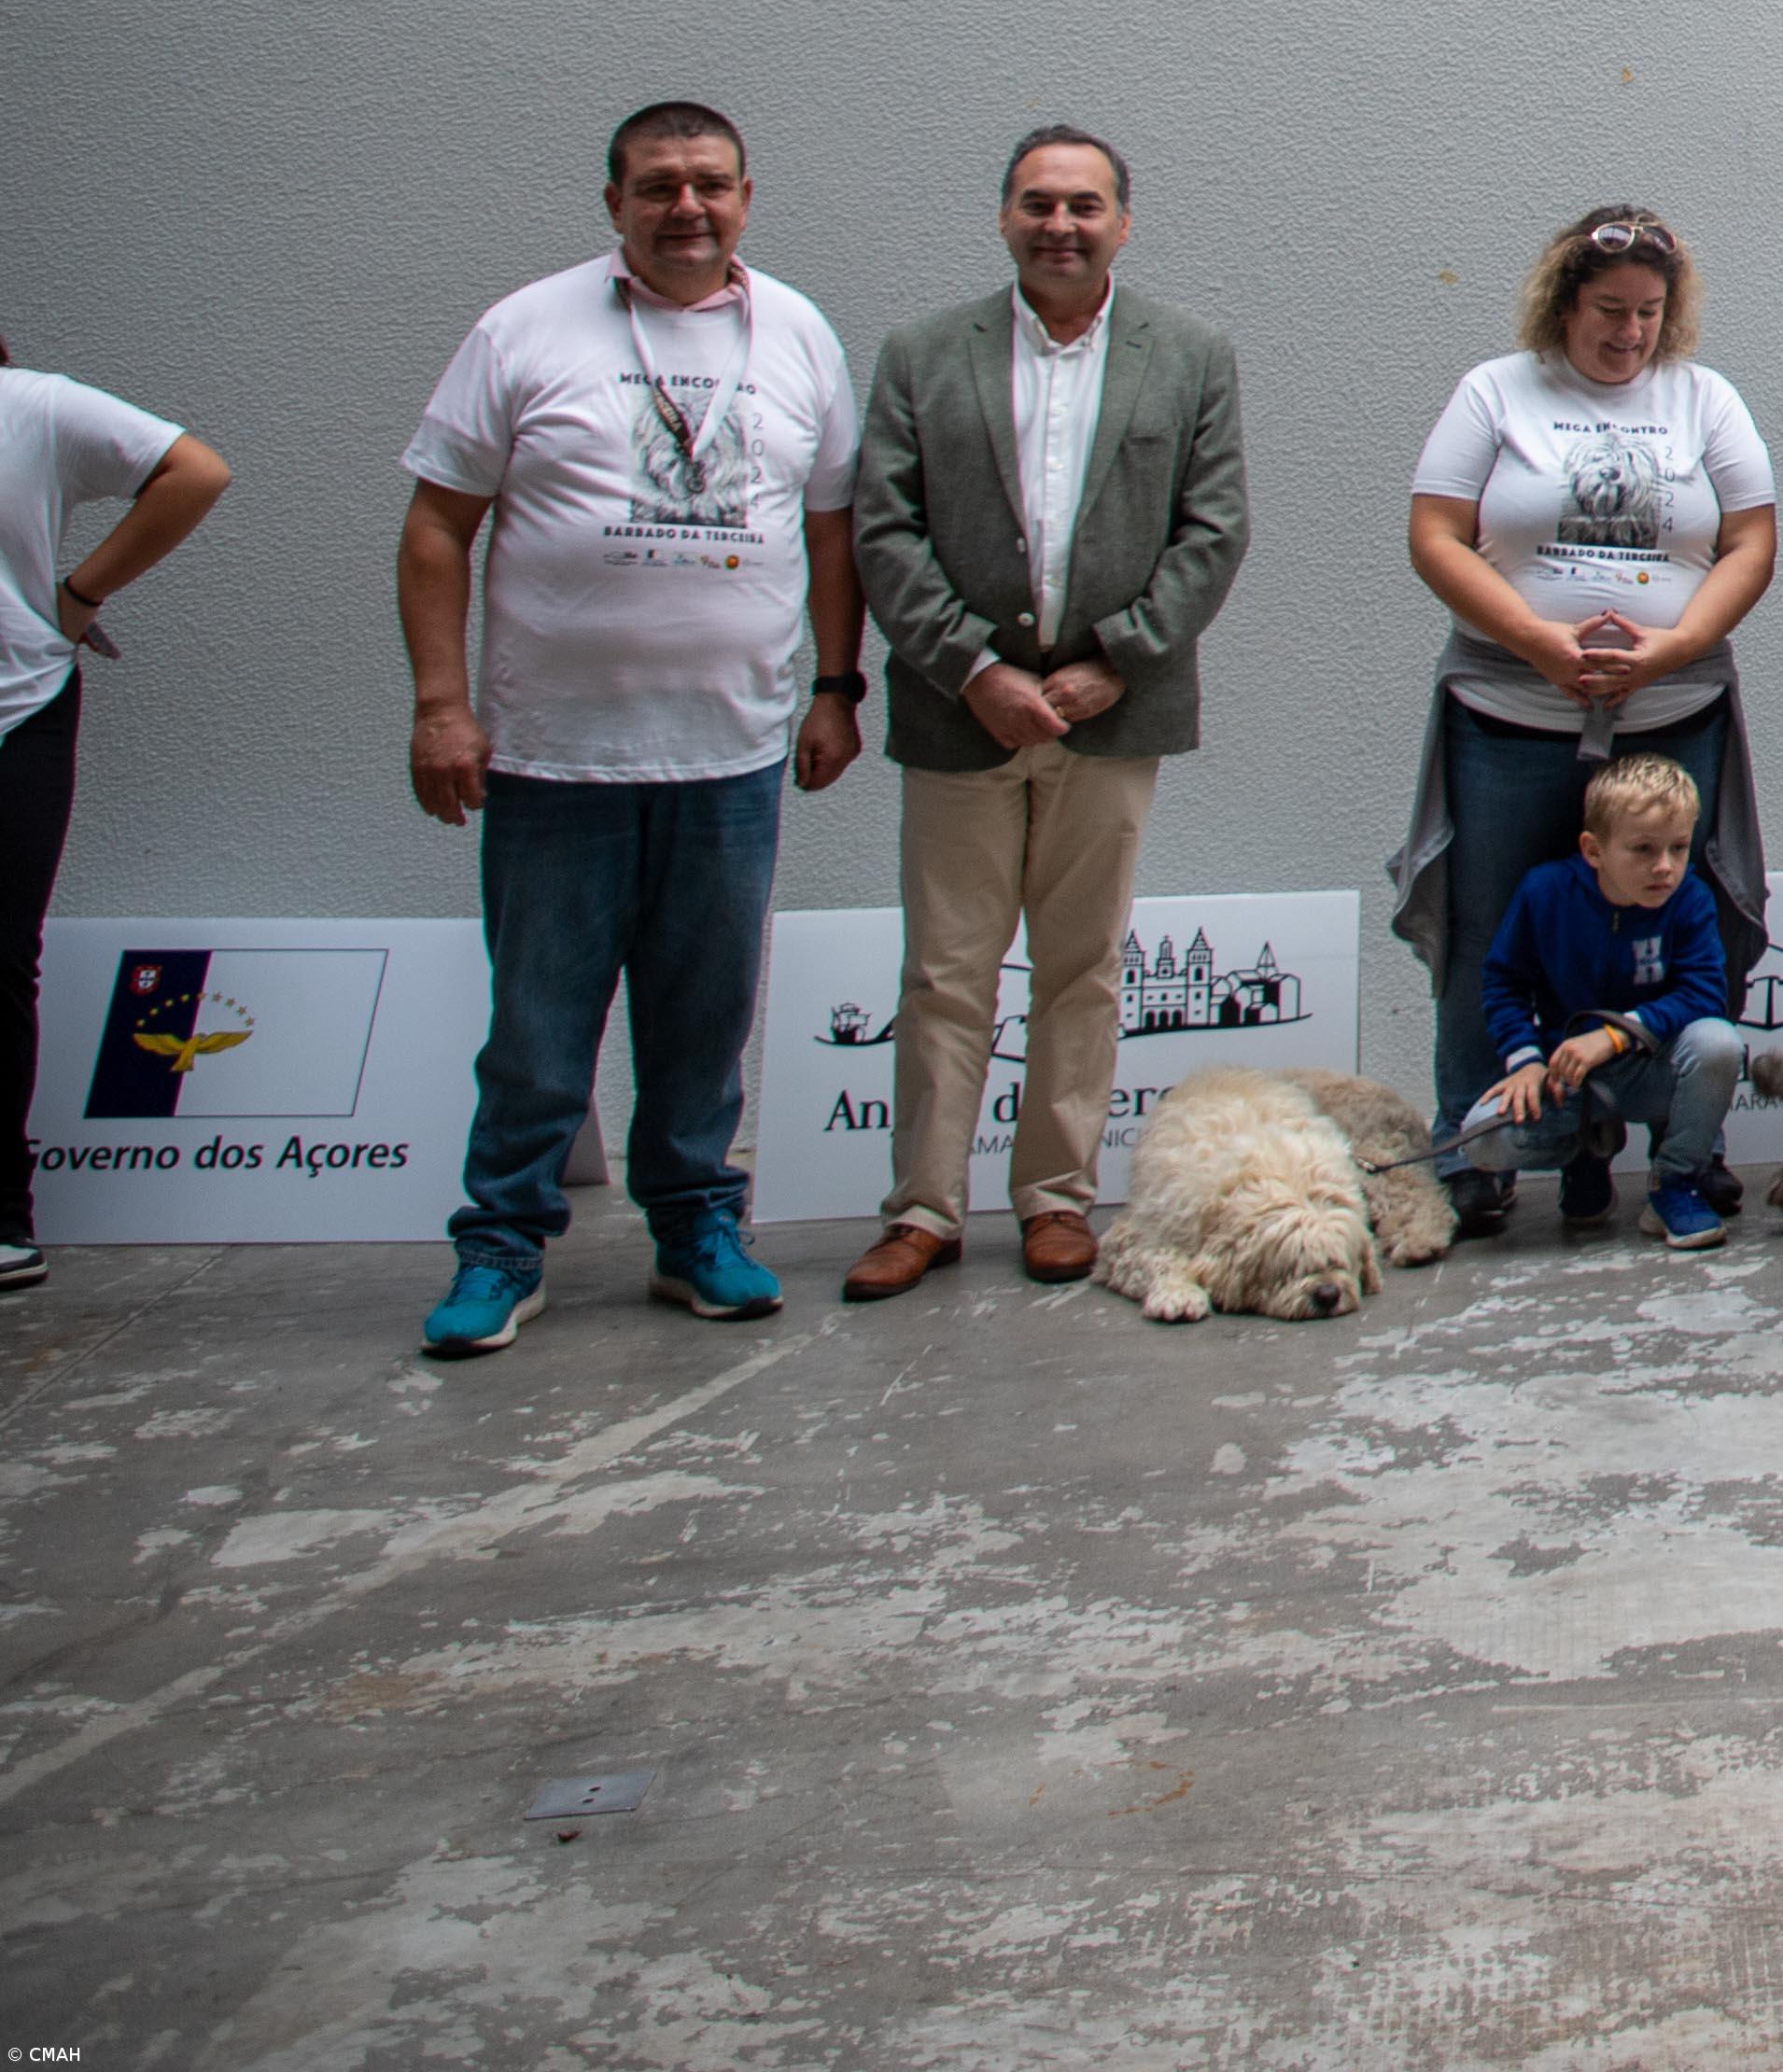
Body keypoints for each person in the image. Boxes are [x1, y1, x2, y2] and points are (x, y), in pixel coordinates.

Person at [398, 101, 863, 1358]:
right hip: (556, 759)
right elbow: (440, 525)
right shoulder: (526, 328)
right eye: (657, 186)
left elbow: (832, 530)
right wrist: (443, 704)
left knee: (704, 1021)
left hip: (732, 752)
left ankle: (696, 1230)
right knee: (540, 1030)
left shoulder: (800, 333)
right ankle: (500, 1245)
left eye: (710, 184)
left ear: (747, 197)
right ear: (614, 205)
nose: (686, 208)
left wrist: (836, 686)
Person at [837, 128, 1251, 1303]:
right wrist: (973, 667)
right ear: (1004, 218)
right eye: (1037, 204)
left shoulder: (1190, 354)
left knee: (1083, 966)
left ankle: (1056, 1198)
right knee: (947, 971)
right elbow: (885, 526)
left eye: (1084, 205)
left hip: (1111, 716)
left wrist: (1115, 660)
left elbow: (1214, 530)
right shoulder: (923, 354)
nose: (1059, 225)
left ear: (1124, 220)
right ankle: (921, 1208)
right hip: (962, 711)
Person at [1397, 205, 1776, 1238]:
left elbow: (1750, 540)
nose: (1630, 332)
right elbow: (1435, 534)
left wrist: (1673, 645)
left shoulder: (1704, 399)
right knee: (1489, 932)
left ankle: (1683, 1152)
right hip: (1512, 710)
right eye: (1609, 310)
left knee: (1679, 914)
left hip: (1671, 708)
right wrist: (1535, 641)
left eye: (1650, 312)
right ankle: (1475, 1149)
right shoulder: (1496, 390)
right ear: (1563, 301)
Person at [0, 321, 229, 1292]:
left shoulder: (32, 406)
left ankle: (4, 1221)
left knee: (2, 958)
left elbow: (195, 471)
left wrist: (77, 595)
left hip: (14, 706)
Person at [1461, 754, 1746, 1245]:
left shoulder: (1690, 898)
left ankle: (1675, 1182)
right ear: (1594, 851)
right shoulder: (1545, 893)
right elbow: (1503, 982)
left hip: (1647, 1068)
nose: (1665, 867)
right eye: (1643, 849)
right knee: (1481, 1137)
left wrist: (1616, 1036)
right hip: (1565, 1078)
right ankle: (1584, 1157)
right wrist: (1525, 1061)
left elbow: (1704, 993)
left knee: (1719, 1045)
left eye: (1679, 848)